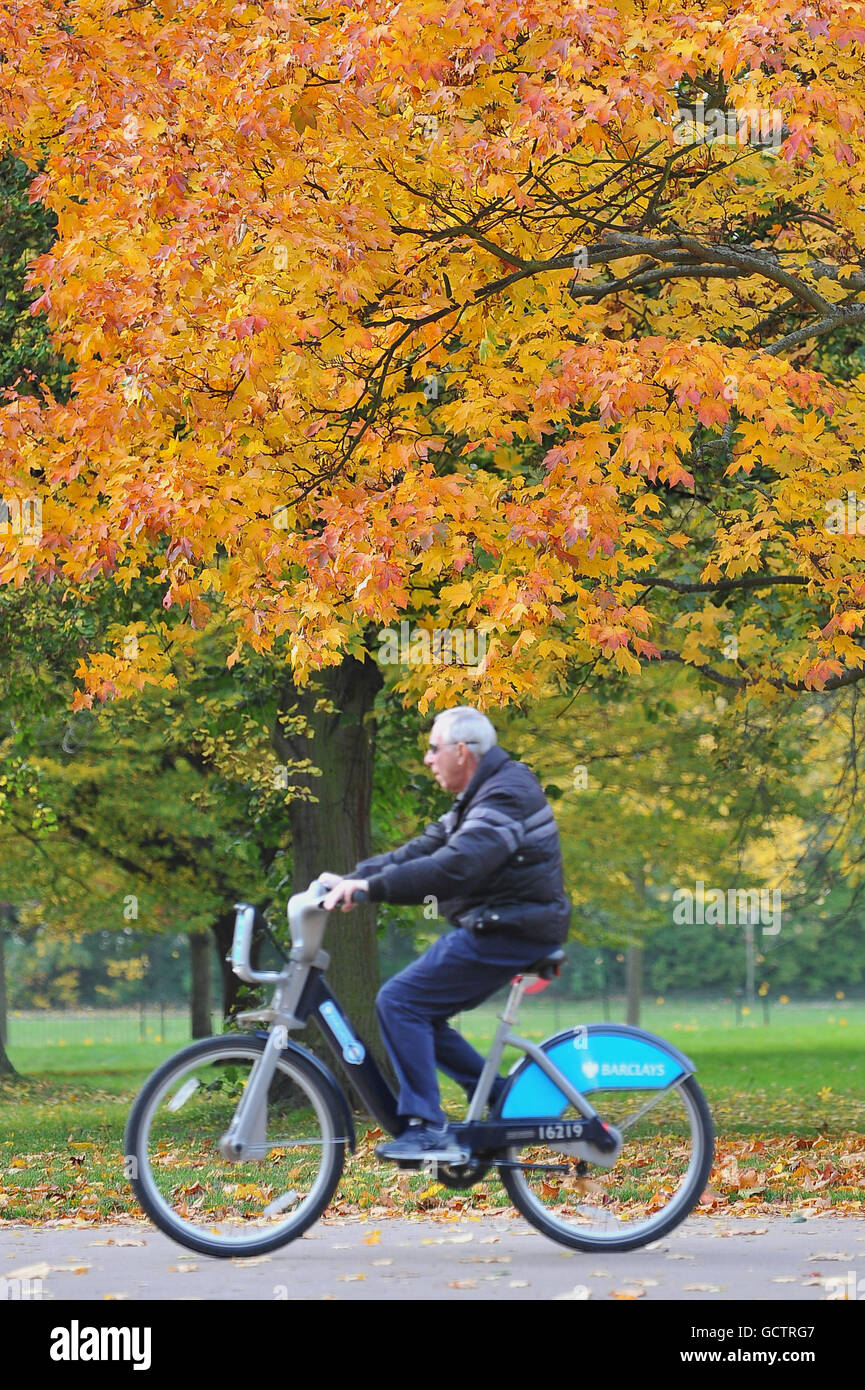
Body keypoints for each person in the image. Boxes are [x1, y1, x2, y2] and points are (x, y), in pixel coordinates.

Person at [320, 706, 571, 1160]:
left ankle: (426, 1127)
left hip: (512, 929)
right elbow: (427, 848)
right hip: (504, 925)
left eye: (434, 749)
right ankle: (499, 1096)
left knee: (400, 1001)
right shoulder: (483, 794)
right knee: (419, 1011)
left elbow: (456, 866)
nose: (428, 759)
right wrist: (352, 879)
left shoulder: (504, 795)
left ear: (461, 751)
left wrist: (370, 888)